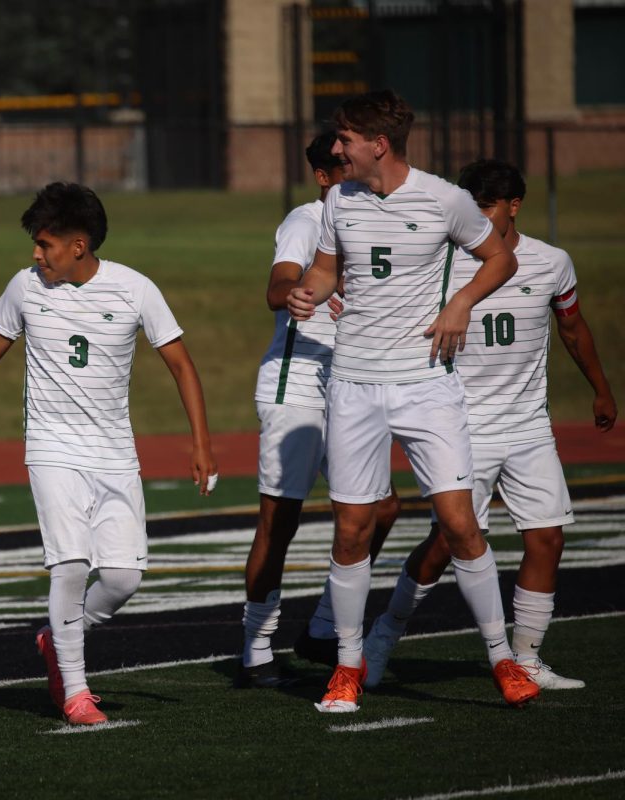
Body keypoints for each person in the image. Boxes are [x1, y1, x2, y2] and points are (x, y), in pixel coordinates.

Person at [0, 182, 217, 725]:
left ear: (79, 245)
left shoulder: (135, 289)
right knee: (69, 565)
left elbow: (181, 364)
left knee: (122, 580)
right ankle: (76, 692)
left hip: (115, 454)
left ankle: (57, 638)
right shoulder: (25, 287)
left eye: (45, 244)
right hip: (51, 448)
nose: (35, 255)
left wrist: (201, 444)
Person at [287, 90, 534, 713]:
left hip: (426, 385)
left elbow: (499, 258)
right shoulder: (339, 199)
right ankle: (346, 666)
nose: (335, 148)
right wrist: (305, 292)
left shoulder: (444, 198)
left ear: (379, 144)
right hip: (354, 386)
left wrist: (460, 303)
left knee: (458, 522)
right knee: (351, 529)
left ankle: (502, 659)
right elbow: (323, 269)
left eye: (344, 139)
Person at [361, 158, 617, 690]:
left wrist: (600, 388)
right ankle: (382, 637)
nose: (474, 216)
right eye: (469, 205)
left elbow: (571, 327)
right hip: (461, 427)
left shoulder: (551, 263)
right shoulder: (444, 263)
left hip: (527, 427)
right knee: (444, 546)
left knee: (546, 537)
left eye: (486, 206)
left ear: (513, 206)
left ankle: (526, 656)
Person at [241, 131, 401, 687]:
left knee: (381, 511)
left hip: (354, 384)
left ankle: (323, 627)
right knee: (279, 519)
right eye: (340, 163)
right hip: (299, 384)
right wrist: (299, 293)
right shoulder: (308, 219)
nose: (352, 169)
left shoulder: (373, 220)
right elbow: (277, 285)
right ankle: (256, 648)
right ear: (325, 174)